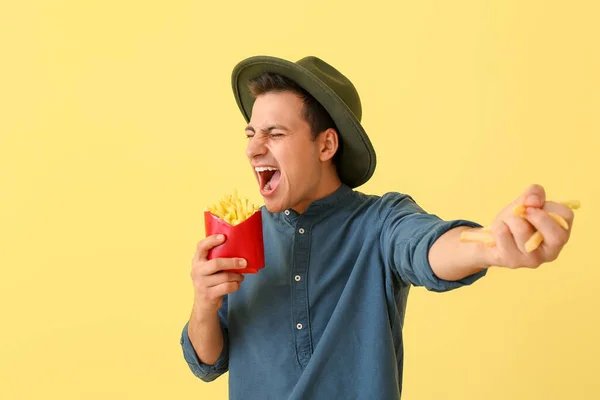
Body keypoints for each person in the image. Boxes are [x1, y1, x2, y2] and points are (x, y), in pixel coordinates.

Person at [179, 56, 575, 399]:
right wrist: (204, 303)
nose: (252, 148)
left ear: (326, 146)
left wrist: (490, 245)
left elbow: (424, 246)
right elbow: (209, 362)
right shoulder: (240, 233)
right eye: (251, 134)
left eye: (274, 134)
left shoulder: (380, 222)